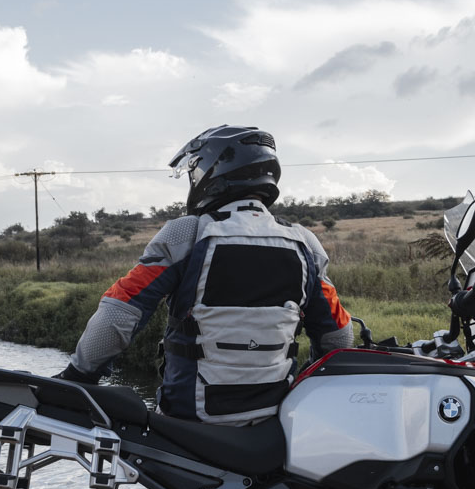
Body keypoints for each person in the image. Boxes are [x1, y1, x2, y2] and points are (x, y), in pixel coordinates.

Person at [56, 125, 352, 425]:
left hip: (190, 425)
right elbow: (338, 335)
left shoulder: (188, 233)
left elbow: (119, 311)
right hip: (274, 424)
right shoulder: (305, 242)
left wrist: (78, 375)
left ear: (212, 171)